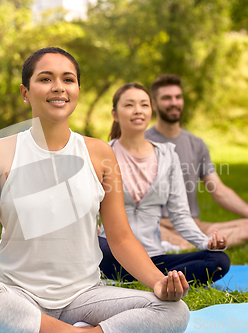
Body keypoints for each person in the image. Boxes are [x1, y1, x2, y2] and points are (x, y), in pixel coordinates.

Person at [0, 48, 191, 333]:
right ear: (25, 92)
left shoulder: (101, 154)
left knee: (174, 310)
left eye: (68, 80)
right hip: (17, 294)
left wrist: (158, 283)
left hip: (85, 297)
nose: (58, 87)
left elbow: (121, 238)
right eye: (45, 79)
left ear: (78, 89)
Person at [98, 83, 229, 285]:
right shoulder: (102, 153)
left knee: (218, 260)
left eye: (144, 104)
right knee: (97, 246)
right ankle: (155, 280)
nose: (138, 110)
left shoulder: (167, 155)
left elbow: (180, 215)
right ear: (115, 114)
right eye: (129, 105)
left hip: (153, 258)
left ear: (151, 111)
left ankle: (148, 277)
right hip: (113, 254)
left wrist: (206, 242)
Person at [145, 74, 248, 249]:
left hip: (192, 224)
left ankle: (187, 246)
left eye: (178, 97)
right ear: (154, 104)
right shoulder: (141, 142)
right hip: (156, 224)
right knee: (137, 228)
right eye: (167, 98)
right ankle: (195, 245)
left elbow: (219, 190)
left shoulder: (196, 144)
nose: (174, 102)